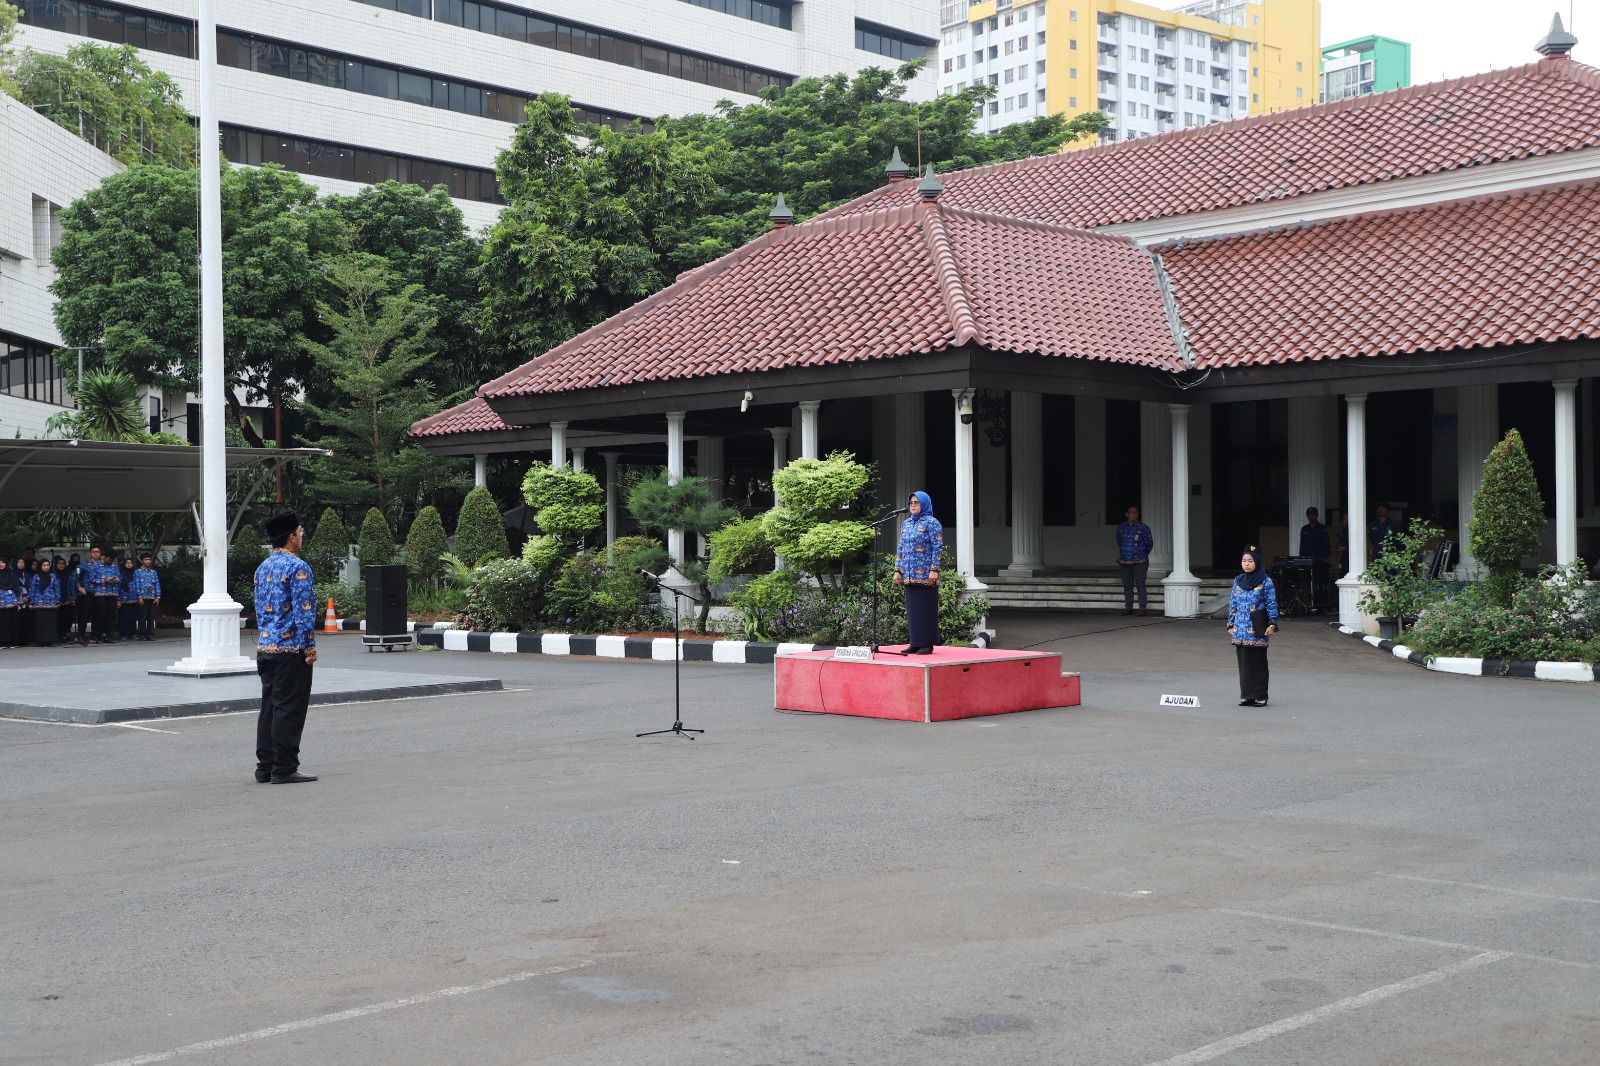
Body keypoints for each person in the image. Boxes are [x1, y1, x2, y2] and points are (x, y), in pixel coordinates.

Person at [254, 512, 319, 784]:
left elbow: (259, 611)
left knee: (269, 707)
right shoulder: (298, 567)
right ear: (292, 536)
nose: (302, 537)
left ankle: (265, 767)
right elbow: (305, 614)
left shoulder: (263, 567)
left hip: (266, 648)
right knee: (289, 709)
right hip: (292, 649)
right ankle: (284, 768)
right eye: (300, 532)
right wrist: (310, 647)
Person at [1227, 547, 1279, 707]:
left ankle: (1260, 695)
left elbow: (1271, 603)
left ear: (1257, 562)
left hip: (1257, 627)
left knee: (1258, 662)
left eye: (1250, 561)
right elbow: (1233, 603)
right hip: (1240, 628)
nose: (1247, 564)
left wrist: (1272, 623)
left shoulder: (1266, 581)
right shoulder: (1238, 580)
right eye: (1244, 561)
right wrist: (1230, 623)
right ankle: (1247, 695)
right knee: (1244, 662)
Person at [892, 491, 943, 655]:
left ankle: (927, 644)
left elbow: (937, 547)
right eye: (911, 503)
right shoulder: (906, 524)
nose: (912, 505)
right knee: (913, 610)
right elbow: (901, 548)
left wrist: (934, 570)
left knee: (925, 609)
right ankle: (915, 642)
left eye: (916, 502)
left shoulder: (932, 523)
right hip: (908, 574)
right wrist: (897, 570)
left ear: (924, 504)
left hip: (926, 575)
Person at [1115, 504, 1154, 616]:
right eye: (1131, 512)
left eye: (1135, 512)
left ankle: (1142, 608)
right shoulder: (1121, 527)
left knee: (1140, 584)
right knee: (1127, 585)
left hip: (1140, 561)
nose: (1133, 514)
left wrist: (1140, 554)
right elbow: (1119, 541)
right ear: (1126, 514)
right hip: (1124, 561)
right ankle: (1128, 607)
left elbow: (1149, 544)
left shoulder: (1143, 527)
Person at [1298, 506, 1333, 609]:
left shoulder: (1322, 528)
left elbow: (1326, 544)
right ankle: (1308, 603)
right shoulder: (1304, 529)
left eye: (1313, 514)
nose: (1311, 516)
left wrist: (1325, 557)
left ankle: (1321, 605)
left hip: (1320, 560)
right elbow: (1302, 546)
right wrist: (1302, 559)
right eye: (1309, 515)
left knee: (1320, 582)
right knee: (1307, 582)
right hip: (1308, 560)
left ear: (1316, 516)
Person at [29, 555, 62, 647]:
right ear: (40, 566)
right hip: (39, 603)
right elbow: (32, 590)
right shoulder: (36, 577)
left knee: (50, 622)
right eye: (44, 565)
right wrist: (31, 602)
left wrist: (57, 600)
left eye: (48, 565)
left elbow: (57, 589)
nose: (46, 567)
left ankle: (49, 640)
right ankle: (40, 640)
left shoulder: (53, 577)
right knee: (40, 623)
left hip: (51, 602)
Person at [90, 547, 120, 643]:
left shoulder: (115, 566)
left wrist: (117, 579)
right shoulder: (96, 565)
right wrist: (103, 580)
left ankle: (109, 636)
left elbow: (119, 576)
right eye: (108, 558)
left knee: (111, 615)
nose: (110, 560)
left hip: (113, 593)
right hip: (101, 593)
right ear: (104, 557)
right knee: (100, 615)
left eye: (112, 559)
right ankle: (98, 636)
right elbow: (92, 579)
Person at [133, 552, 161, 641]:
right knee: (142, 616)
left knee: (151, 616)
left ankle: (150, 634)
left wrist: (158, 596)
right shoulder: (137, 572)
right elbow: (136, 584)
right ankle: (141, 634)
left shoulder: (153, 572)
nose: (148, 561)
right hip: (142, 597)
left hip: (152, 597)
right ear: (142, 561)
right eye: (146, 560)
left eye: (149, 560)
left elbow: (157, 584)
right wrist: (139, 596)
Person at [0, 557, 23, 649]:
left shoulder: (11, 575)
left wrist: (19, 603)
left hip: (12, 602)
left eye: (2, 562)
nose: (1, 564)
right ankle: (2, 642)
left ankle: (12, 642)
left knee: (12, 622)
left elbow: (17, 589)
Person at [58, 553, 80, 643]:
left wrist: (73, 598)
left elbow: (71, 586)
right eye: (59, 563)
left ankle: (66, 633)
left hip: (68, 600)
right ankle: (59, 634)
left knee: (68, 617)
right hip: (56, 600)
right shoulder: (53, 574)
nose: (61, 565)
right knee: (59, 618)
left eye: (63, 563)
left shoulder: (68, 574)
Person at [117, 556, 140, 638]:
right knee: (123, 617)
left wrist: (139, 597)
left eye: (130, 563)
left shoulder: (135, 574)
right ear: (124, 564)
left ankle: (133, 633)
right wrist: (118, 600)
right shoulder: (120, 574)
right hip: (123, 599)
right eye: (127, 563)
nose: (129, 564)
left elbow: (138, 585)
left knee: (133, 617)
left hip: (134, 598)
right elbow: (118, 587)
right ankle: (124, 634)